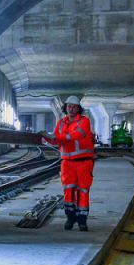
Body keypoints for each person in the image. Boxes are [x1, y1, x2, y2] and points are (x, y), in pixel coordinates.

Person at [41, 96, 95, 231]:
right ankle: (70, 218)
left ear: (78, 109)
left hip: (83, 162)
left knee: (83, 191)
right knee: (68, 191)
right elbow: (56, 141)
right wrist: (47, 138)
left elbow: (76, 135)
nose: (71, 109)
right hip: (67, 163)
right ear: (65, 107)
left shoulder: (84, 121)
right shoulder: (60, 123)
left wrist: (56, 137)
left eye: (74, 107)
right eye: (69, 106)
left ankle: (82, 220)